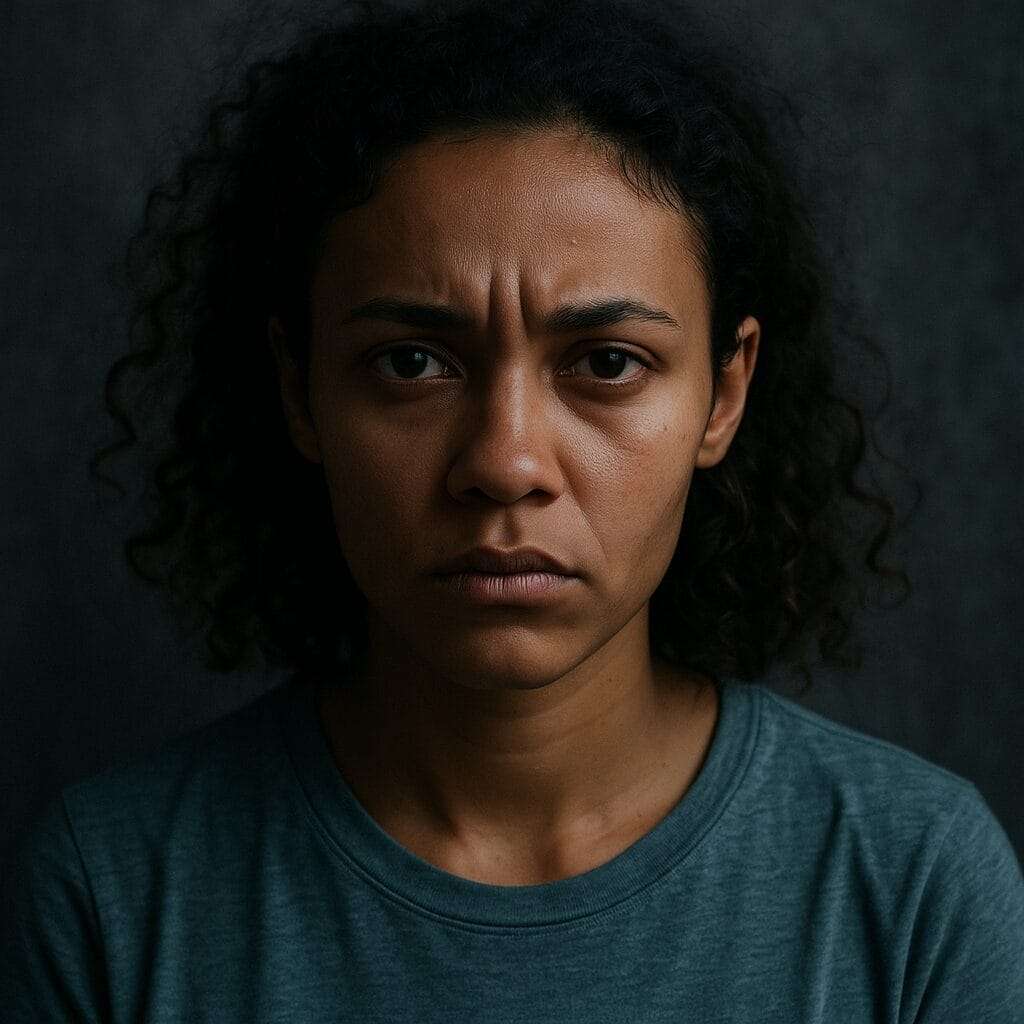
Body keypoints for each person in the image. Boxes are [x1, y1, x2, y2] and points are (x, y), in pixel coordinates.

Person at [3, 0, 1021, 1019]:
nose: (504, 461)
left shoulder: (912, 884)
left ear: (725, 393)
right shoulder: (116, 896)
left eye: (607, 364)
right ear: (299, 389)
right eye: (411, 363)